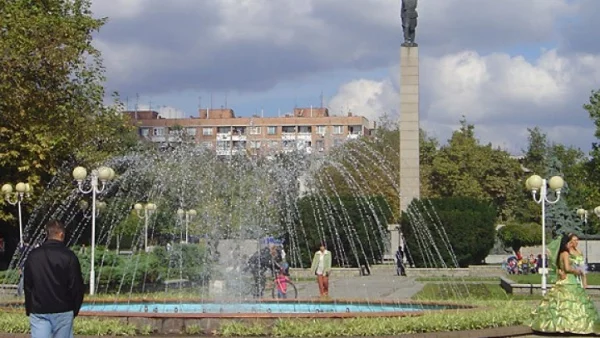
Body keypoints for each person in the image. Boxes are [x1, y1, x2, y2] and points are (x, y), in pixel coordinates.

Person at [530, 233, 600, 334]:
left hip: (566, 280)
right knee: (570, 303)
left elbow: (563, 266)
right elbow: (566, 268)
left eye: (576, 241)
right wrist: (576, 271)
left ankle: (559, 325)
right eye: (571, 242)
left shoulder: (564, 253)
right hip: (569, 279)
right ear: (567, 243)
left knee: (561, 303)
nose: (573, 243)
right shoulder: (566, 253)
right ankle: (570, 325)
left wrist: (581, 277)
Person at [24, 220, 85, 338]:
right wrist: (74, 309)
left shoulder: (33, 256)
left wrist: (29, 308)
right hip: (63, 309)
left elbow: (28, 285)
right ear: (61, 234)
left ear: (47, 234)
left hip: (39, 309)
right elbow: (76, 286)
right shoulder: (69, 256)